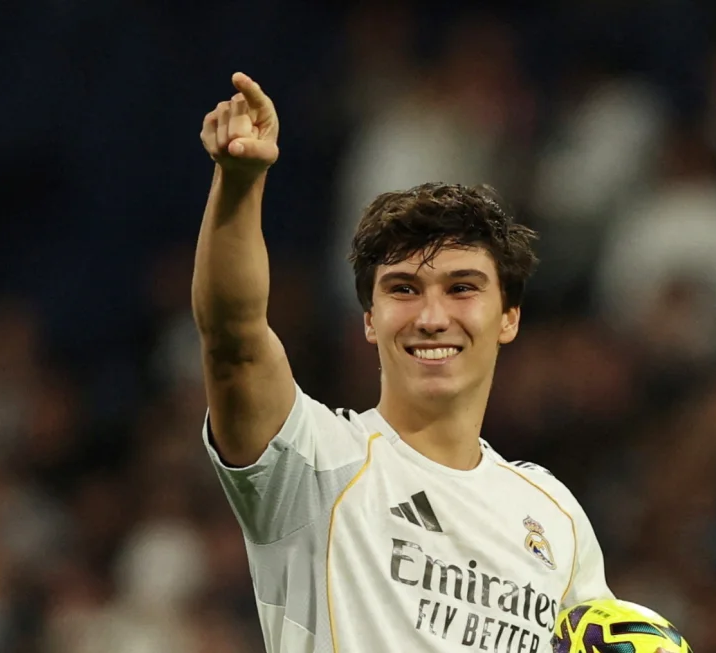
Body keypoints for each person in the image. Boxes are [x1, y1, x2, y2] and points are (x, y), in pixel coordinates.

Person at [192, 72, 612, 653]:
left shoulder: (555, 515)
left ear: (509, 317)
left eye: (462, 288)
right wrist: (240, 183)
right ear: (369, 318)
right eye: (404, 289)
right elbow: (233, 340)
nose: (432, 317)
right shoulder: (314, 464)